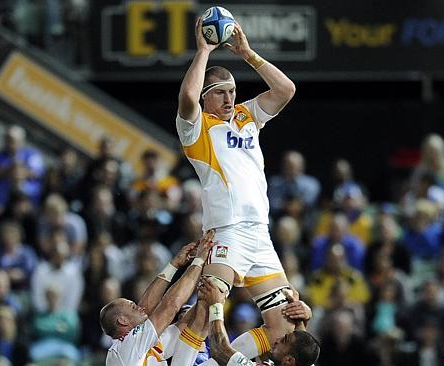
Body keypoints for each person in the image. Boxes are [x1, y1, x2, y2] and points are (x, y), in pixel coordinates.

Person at [176, 15, 299, 361]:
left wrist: (248, 54)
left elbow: (286, 90)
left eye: (232, 91)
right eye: (220, 93)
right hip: (226, 232)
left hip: (260, 235)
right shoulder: (197, 130)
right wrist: (203, 50)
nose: (230, 99)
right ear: (207, 98)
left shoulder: (247, 117)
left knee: (285, 326)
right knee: (206, 307)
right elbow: (187, 95)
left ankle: (224, 360)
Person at [100, 232, 215, 365]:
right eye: (133, 306)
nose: (139, 307)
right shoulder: (128, 345)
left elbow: (149, 309)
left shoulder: (141, 344)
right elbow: (170, 305)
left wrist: (174, 264)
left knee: (197, 316)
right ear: (123, 320)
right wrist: (199, 260)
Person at [200, 277, 320, 366]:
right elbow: (304, 348)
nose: (277, 339)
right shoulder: (302, 362)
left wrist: (215, 305)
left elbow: (220, 350)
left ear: (288, 360)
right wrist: (302, 314)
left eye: (283, 340)